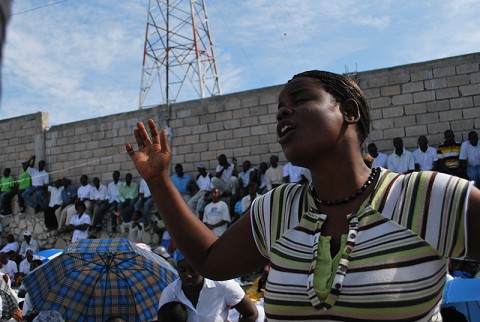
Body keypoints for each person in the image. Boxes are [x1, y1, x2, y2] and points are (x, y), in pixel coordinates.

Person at [126, 70, 480, 321]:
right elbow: (211, 261)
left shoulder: (429, 197)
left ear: (349, 111)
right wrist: (158, 180)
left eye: (300, 99)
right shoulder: (277, 208)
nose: (282, 111)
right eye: (280, 106)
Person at [158, 254, 258, 322]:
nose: (188, 275)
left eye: (193, 270)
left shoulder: (224, 285)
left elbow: (251, 313)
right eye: (182, 270)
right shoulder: (169, 293)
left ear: (201, 268)